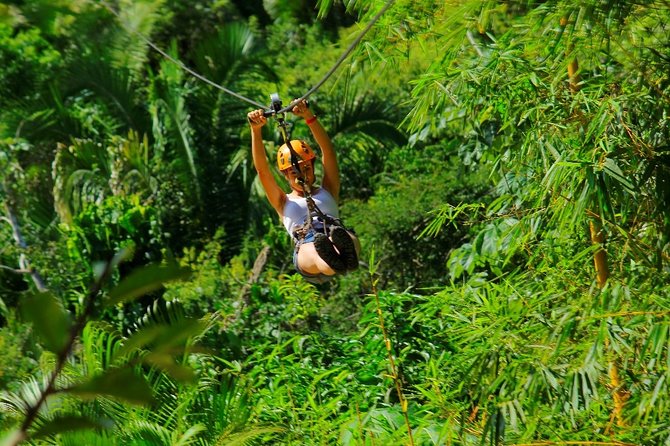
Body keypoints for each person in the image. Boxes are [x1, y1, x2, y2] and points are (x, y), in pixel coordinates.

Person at [247, 99, 359, 284]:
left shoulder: (329, 189)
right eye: (294, 171)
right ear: (285, 175)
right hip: (305, 245)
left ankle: (342, 255)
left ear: (314, 167)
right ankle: (333, 260)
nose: (302, 174)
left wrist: (309, 117)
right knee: (316, 249)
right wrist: (255, 130)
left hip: (334, 231)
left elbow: (328, 152)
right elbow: (262, 171)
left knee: (345, 237)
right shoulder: (282, 201)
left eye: (307, 168)